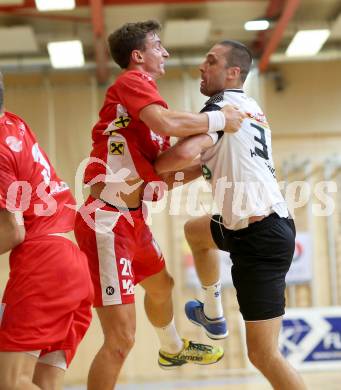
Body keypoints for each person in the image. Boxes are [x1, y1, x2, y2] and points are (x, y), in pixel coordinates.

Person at [74, 20, 245, 390]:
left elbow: (165, 174)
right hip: (105, 222)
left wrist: (208, 165)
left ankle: (171, 348)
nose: (165, 52)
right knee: (120, 342)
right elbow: (168, 123)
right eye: (158, 46)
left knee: (162, 285)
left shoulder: (144, 113)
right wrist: (219, 120)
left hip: (132, 219)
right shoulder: (131, 83)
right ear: (139, 56)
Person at [154, 40, 307, 389]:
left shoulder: (221, 110)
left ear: (233, 72)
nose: (201, 67)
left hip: (260, 238)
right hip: (249, 228)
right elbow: (201, 163)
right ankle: (213, 313)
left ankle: (213, 313)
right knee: (196, 232)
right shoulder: (248, 107)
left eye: (211, 61)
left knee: (263, 355)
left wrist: (152, 169)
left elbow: (179, 158)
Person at [0, 72, 93, 390]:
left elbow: (13, 231)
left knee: (11, 382)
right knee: (44, 382)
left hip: (43, 264)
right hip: (71, 260)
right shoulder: (14, 122)